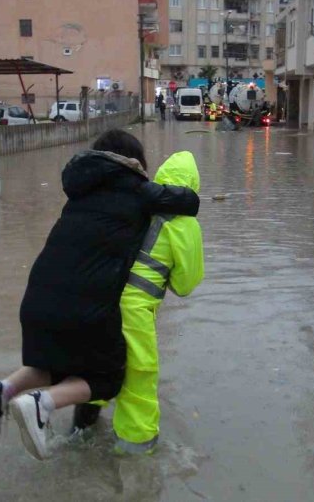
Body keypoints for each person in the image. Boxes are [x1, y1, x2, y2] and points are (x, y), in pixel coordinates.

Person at [0, 129, 200, 460]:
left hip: (40, 296)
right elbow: (186, 268)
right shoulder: (144, 197)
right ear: (134, 165)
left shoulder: (79, 195)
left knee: (64, 365)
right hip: (101, 308)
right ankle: (53, 410)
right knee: (112, 378)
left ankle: (3, 391)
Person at [72, 151, 205, 454]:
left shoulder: (135, 204)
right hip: (133, 313)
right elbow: (186, 284)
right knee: (138, 380)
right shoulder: (184, 225)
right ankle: (136, 459)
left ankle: (79, 437)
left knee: (96, 369)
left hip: (99, 299)